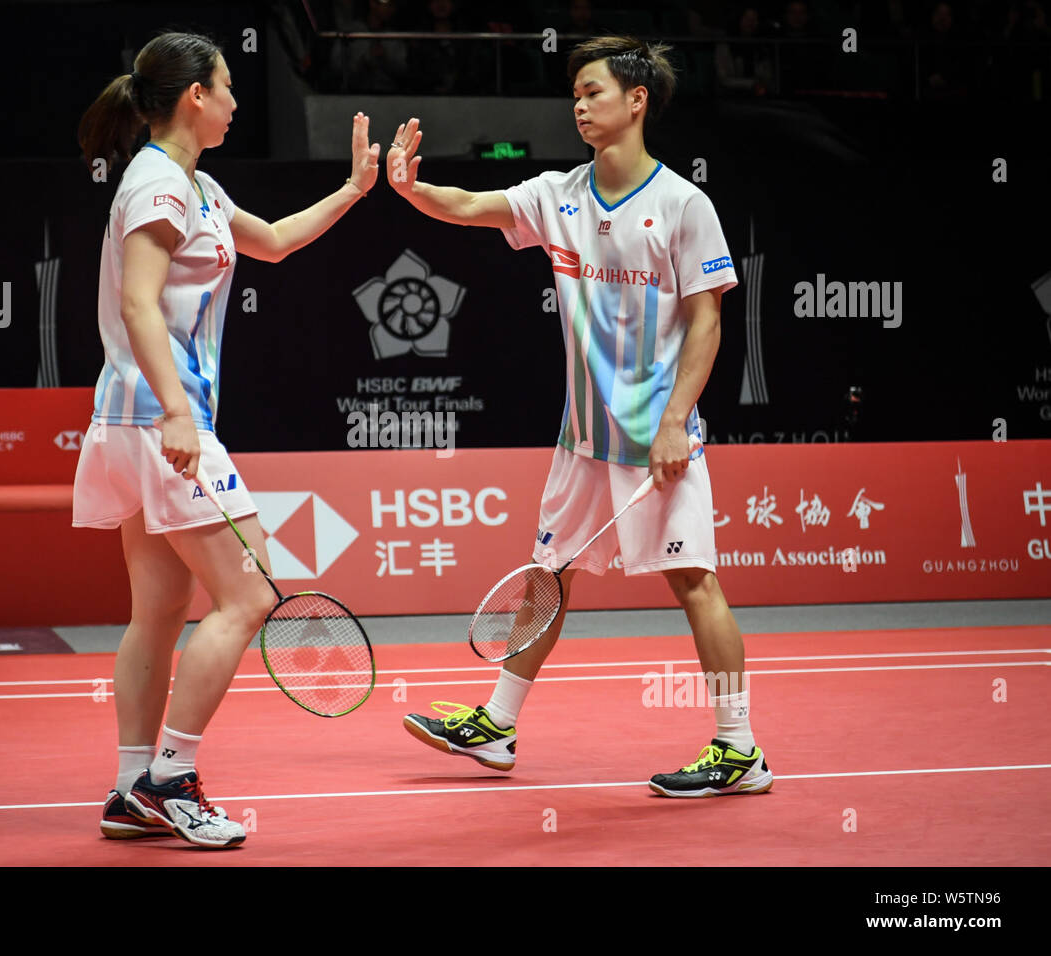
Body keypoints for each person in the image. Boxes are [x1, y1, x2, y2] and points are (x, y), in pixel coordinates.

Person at [388, 35, 772, 798]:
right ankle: (497, 726)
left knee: (695, 582)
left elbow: (708, 323)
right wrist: (412, 190)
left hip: (655, 439)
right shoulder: (558, 194)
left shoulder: (682, 205)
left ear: (636, 101)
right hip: (583, 438)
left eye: (593, 92)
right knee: (549, 576)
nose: (580, 105)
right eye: (575, 94)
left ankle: (740, 748)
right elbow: (471, 205)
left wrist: (674, 422)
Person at [74, 31, 380, 846]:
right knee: (248, 597)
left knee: (161, 607)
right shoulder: (157, 189)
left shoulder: (194, 184)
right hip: (160, 418)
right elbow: (140, 304)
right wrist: (178, 413)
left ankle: (129, 787)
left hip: (141, 419)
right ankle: (172, 777)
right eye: (228, 87)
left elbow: (273, 241)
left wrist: (353, 188)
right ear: (192, 98)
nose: (238, 102)